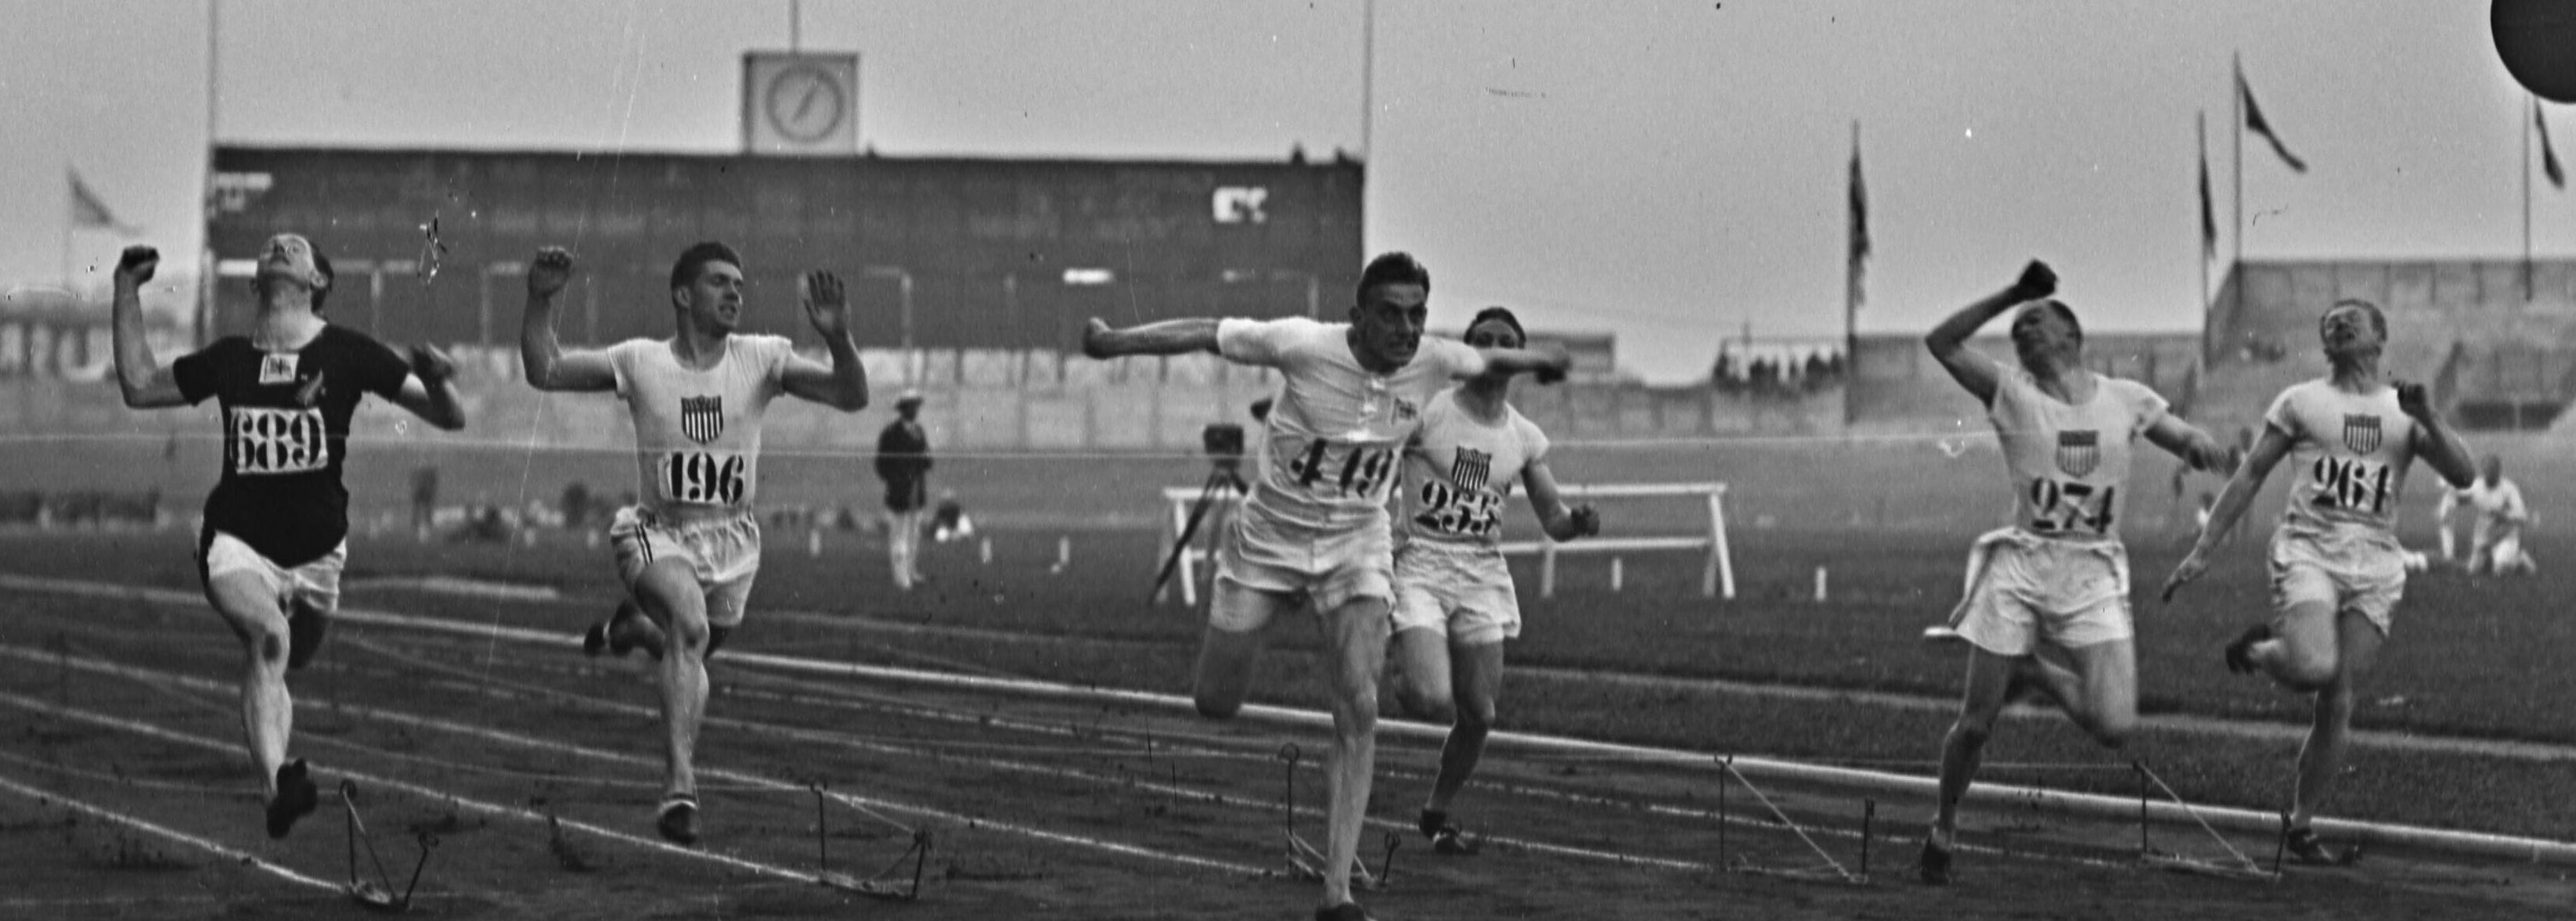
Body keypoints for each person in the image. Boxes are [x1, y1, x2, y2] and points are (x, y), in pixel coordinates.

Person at [1082, 253, 1568, 921]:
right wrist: (1113, 342)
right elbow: (1206, 329)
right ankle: (1252, 638)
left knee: (1359, 705)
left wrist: (1544, 358)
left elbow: (1491, 362)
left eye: (1417, 314)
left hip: (1355, 546)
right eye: (1391, 314)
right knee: (1215, 700)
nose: (1405, 327)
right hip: (1268, 542)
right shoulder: (1302, 344)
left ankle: (1337, 893)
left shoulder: (1432, 360)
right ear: (1356, 317)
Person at [108, 237, 467, 838]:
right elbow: (140, 384)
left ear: (317, 280)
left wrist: (438, 380)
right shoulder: (229, 359)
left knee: (292, 655)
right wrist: (125, 288)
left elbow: (449, 417)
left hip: (319, 554)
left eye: (294, 247)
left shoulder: (349, 353)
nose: (277, 246)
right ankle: (277, 786)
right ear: (256, 282)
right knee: (269, 639)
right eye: (270, 246)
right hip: (237, 541)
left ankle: (276, 756)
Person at [524, 242, 869, 846]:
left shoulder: (762, 358)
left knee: (690, 647)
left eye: (738, 283)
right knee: (689, 625)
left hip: (733, 539)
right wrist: (540, 298)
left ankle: (633, 633)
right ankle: (680, 783)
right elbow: (545, 369)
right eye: (718, 282)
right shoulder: (640, 359)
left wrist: (839, 337)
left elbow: (850, 394)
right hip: (657, 529)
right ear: (683, 295)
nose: (734, 292)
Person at [1915, 261, 2231, 885]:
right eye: (2016, 329)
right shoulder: (2010, 390)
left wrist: (2204, 447)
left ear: (2070, 334)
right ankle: (1943, 826)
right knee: (1975, 723)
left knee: (2114, 723)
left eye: (2034, 322)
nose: (2022, 332)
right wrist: (2011, 291)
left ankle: (2030, 668)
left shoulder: (2125, 398)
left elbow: (2180, 435)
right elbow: (1941, 343)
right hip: (2022, 564)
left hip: (2092, 569)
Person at [2161, 297, 2477, 864]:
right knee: (2311, 666)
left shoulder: (2402, 409)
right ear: (2324, 342)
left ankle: (2301, 823)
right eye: (2330, 322)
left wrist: (2427, 416)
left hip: (2376, 562)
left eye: (2351, 319)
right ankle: (2257, 649)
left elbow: (2464, 474)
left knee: (2337, 697)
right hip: (2308, 548)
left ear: (2379, 338)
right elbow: (2252, 472)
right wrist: (2204, 547)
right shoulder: (2301, 401)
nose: (2338, 324)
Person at [1386, 306, 1600, 857]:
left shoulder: (1522, 436)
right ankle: (1399, 661)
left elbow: (1550, 518)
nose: (1495, 347)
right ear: (1467, 348)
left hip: (1480, 572)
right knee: (1429, 695)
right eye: (1484, 339)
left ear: (1521, 355)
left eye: (1506, 340)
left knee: (1479, 714)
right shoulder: (1429, 411)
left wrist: (1575, 522)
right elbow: (1377, 465)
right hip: (1421, 564)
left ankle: (1435, 812)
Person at [2435, 455, 2533, 577]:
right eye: (2486, 471)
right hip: (2485, 534)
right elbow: (2458, 496)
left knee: (2500, 571)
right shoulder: (2477, 486)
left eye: (2492, 470)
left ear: (2499, 471)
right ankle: (2491, 557)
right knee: (2472, 571)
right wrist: (2446, 510)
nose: (2489, 474)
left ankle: (2519, 559)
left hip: (2506, 535)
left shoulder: (2509, 489)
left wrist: (2504, 515)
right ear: (2483, 471)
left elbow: (2522, 515)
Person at [875, 392, 933, 588]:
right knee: (898, 535)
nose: (915, 410)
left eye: (916, 406)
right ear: (902, 409)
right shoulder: (890, 434)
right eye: (911, 406)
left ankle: (911, 570)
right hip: (899, 491)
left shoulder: (919, 431)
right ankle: (901, 578)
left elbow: (927, 459)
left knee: (914, 533)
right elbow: (881, 463)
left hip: (917, 489)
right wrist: (895, 480)